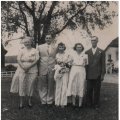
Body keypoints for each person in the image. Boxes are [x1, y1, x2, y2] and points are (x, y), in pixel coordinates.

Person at [10, 36, 39, 109]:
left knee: (30, 85)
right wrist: (23, 67)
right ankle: (21, 103)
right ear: (23, 43)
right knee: (22, 85)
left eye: (28, 42)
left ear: (31, 42)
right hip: (22, 69)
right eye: (25, 42)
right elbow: (18, 59)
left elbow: (36, 60)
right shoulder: (21, 50)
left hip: (32, 69)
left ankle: (29, 102)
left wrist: (28, 67)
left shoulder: (35, 50)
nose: (27, 43)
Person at [85, 36, 106, 109]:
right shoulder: (87, 52)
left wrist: (102, 74)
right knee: (89, 90)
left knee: (97, 90)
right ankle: (89, 103)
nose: (93, 42)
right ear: (91, 41)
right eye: (92, 40)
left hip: (97, 74)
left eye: (94, 40)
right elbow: (86, 65)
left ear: (97, 41)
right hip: (89, 74)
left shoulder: (101, 51)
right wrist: (85, 74)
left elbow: (103, 64)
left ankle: (96, 104)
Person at [37, 34, 57, 105]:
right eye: (47, 38)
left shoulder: (55, 47)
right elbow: (37, 58)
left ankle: (50, 100)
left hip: (52, 68)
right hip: (43, 67)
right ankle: (43, 100)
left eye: (49, 38)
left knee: (51, 84)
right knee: (42, 85)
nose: (48, 39)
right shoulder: (39, 47)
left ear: (52, 39)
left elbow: (57, 58)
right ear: (45, 39)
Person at [67, 43, 88, 108]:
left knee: (81, 84)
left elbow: (86, 63)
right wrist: (70, 61)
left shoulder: (85, 55)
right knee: (73, 84)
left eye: (80, 47)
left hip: (81, 69)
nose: (79, 48)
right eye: (77, 47)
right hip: (74, 69)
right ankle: (73, 103)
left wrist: (85, 61)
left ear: (82, 48)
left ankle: (80, 104)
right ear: (75, 48)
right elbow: (69, 63)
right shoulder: (72, 55)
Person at [53, 42, 71, 107]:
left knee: (64, 86)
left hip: (65, 71)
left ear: (64, 48)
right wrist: (58, 68)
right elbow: (55, 63)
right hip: (58, 71)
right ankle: (57, 102)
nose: (61, 48)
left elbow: (69, 63)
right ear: (58, 48)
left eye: (62, 47)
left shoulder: (68, 55)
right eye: (60, 47)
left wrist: (65, 65)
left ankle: (63, 103)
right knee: (58, 86)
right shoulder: (56, 55)